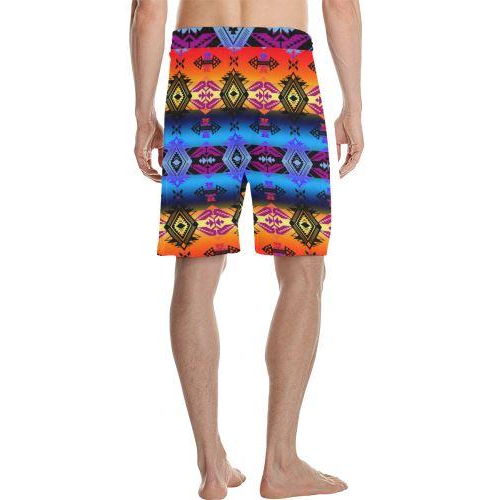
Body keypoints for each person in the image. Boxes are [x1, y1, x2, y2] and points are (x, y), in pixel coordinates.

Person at [130, 0, 363, 497]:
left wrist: (142, 110)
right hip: (283, 69)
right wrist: (354, 105)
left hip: (198, 68)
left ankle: (211, 465)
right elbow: (340, 6)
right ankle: (280, 463)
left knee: (195, 270)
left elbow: (148, 11)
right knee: (303, 269)